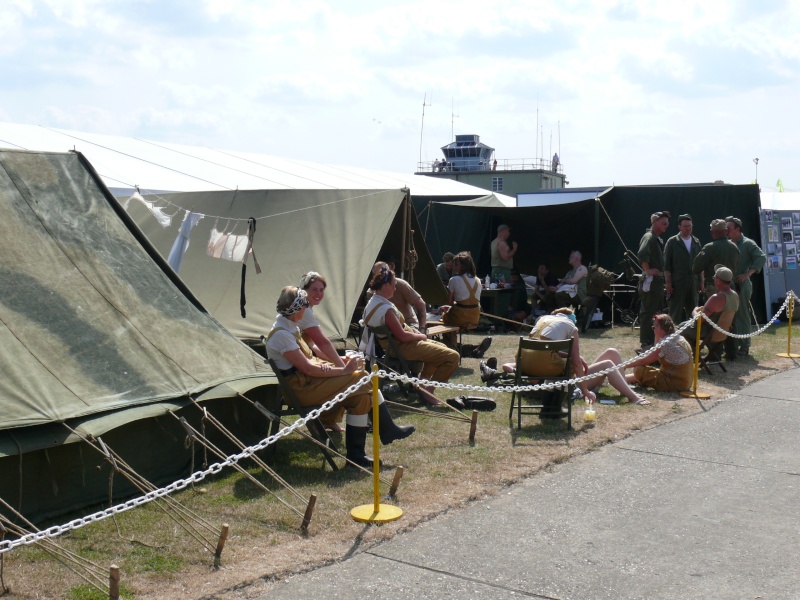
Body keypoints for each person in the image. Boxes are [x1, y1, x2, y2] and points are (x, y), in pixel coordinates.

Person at [265, 287, 415, 468]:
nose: (307, 308)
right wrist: (344, 370)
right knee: (363, 377)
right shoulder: (282, 334)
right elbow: (309, 369)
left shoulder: (288, 326)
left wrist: (342, 361)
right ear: (296, 308)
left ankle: (356, 456)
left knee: (360, 398)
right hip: (300, 389)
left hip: (306, 382)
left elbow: (310, 360)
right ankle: (388, 428)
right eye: (305, 305)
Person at [480, 308, 649, 407]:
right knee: (607, 363)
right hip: (559, 382)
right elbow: (575, 363)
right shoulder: (570, 326)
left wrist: (566, 356)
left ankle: (624, 384)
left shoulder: (542, 321)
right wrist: (584, 390)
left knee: (611, 351)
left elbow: (540, 351)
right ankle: (632, 396)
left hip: (531, 368)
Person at [364, 265, 460, 406]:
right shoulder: (385, 309)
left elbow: (401, 331)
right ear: (385, 286)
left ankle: (422, 385)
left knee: (440, 347)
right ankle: (428, 391)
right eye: (393, 285)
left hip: (395, 345)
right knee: (452, 356)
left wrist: (414, 332)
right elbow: (402, 336)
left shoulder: (372, 303)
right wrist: (420, 336)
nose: (395, 289)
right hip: (400, 347)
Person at [298, 271, 346, 432]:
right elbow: (322, 342)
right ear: (304, 290)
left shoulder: (306, 309)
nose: (318, 294)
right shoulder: (303, 310)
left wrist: (338, 361)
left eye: (321, 290)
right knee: (348, 378)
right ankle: (330, 419)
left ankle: (329, 420)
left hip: (308, 359)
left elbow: (314, 346)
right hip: (302, 366)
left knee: (347, 373)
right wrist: (342, 367)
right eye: (314, 290)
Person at [726, 216, 766, 356]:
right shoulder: (728, 243)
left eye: (729, 228)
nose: (726, 231)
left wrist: (748, 273)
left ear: (737, 229)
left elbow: (761, 257)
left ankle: (744, 345)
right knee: (730, 314)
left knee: (742, 314)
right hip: (729, 284)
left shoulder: (748, 243)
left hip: (742, 284)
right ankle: (733, 344)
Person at [441, 251, 492, 356]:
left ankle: (451, 351)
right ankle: (471, 350)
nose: (454, 267)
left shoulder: (454, 279)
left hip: (459, 316)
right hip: (474, 316)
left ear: (463, 267)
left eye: (456, 264)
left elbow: (450, 303)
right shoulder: (478, 280)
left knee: (444, 322)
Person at [691, 264, 740, 361]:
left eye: (714, 277)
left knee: (678, 331)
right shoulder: (735, 296)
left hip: (708, 332)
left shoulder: (716, 298)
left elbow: (699, 320)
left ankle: (683, 360)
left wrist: (695, 310)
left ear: (717, 280)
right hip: (722, 332)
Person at [637, 211, 670, 351]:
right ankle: (645, 343)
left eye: (667, 223)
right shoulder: (649, 237)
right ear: (654, 221)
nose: (666, 225)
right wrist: (647, 270)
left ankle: (652, 340)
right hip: (650, 280)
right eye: (663, 222)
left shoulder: (656, 238)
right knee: (648, 312)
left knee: (654, 311)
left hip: (657, 281)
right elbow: (642, 254)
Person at [663, 214, 702, 326]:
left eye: (690, 226)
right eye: (685, 226)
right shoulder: (672, 242)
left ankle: (691, 339)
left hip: (693, 282)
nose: (688, 228)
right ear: (679, 227)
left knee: (693, 311)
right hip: (677, 282)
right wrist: (668, 283)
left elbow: (700, 264)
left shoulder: (696, 242)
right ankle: (672, 338)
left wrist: (701, 281)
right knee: (675, 312)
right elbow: (666, 266)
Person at [372, 259, 427, 331]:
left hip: (408, 323)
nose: (379, 278)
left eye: (382, 275)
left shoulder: (401, 285)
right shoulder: (372, 292)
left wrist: (422, 328)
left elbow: (421, 304)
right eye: (376, 275)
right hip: (387, 327)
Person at [692, 219, 739, 300]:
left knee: (713, 311)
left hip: (715, 289)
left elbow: (696, 268)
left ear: (712, 232)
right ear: (726, 231)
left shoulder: (709, 248)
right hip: (730, 288)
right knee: (728, 312)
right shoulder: (734, 247)